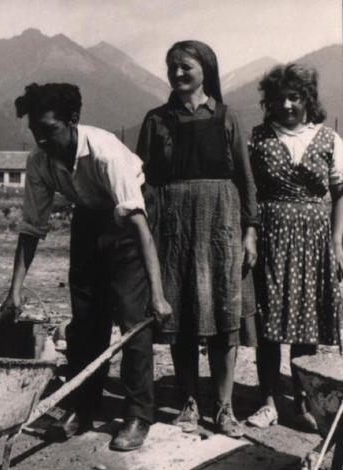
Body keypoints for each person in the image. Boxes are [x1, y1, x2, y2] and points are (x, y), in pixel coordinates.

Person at [3, 82, 171, 452]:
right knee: (85, 321)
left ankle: (138, 413)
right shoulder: (40, 161)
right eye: (35, 132)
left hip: (131, 217)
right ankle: (82, 406)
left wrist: (157, 296)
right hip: (89, 218)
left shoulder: (106, 153)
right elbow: (31, 228)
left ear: (73, 121)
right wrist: (15, 290)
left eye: (49, 130)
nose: (42, 140)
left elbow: (140, 225)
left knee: (132, 319)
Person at [136, 40, 259, 438]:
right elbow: (145, 184)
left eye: (185, 67)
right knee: (182, 312)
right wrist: (150, 236)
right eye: (172, 67)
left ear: (205, 69)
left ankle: (224, 408)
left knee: (226, 316)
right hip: (173, 228)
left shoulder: (227, 117)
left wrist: (250, 230)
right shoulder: (156, 120)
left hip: (221, 226)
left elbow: (244, 178)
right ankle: (189, 401)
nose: (177, 74)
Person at [246, 63, 343, 430]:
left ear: (307, 99)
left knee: (307, 324)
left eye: (294, 97)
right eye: (278, 98)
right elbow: (249, 191)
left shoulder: (329, 138)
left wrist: (337, 243)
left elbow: (340, 192)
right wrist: (251, 233)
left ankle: (302, 402)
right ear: (268, 103)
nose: (286, 105)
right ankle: (267, 401)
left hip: (315, 240)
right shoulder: (258, 138)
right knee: (269, 321)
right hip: (272, 236)